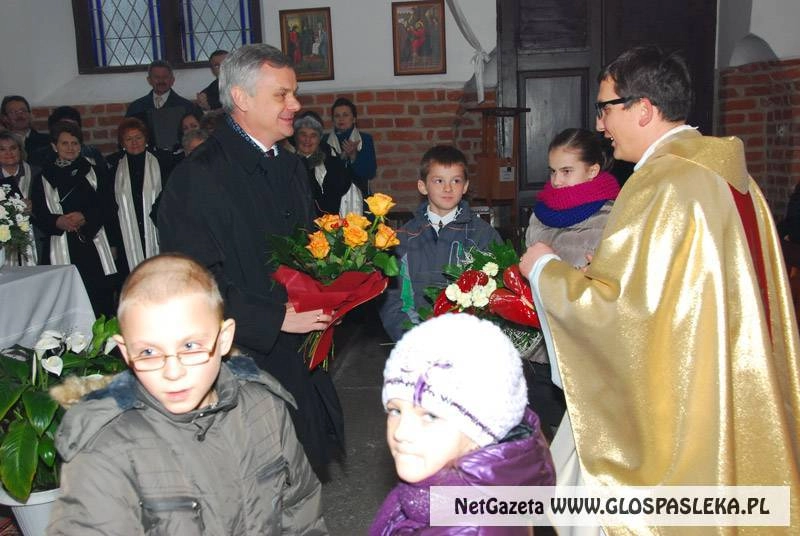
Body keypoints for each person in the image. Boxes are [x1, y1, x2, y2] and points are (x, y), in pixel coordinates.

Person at [520, 45, 800, 533]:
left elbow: (621, 317)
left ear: (643, 108)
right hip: (721, 366)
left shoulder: (661, 183)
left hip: (675, 394)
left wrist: (545, 269)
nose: (601, 125)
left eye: (605, 109)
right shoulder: (730, 177)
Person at [157, 43, 344, 475]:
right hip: (243, 362)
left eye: (294, 93)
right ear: (241, 98)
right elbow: (193, 285)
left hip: (299, 353)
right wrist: (275, 317)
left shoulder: (290, 166)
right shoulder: (197, 178)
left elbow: (305, 253)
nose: (295, 105)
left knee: (302, 476)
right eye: (282, 95)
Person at [47, 253, 327, 535]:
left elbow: (300, 507)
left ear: (224, 338)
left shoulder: (263, 406)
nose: (173, 372)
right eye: (149, 351)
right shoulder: (105, 450)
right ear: (125, 351)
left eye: (190, 346)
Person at [370, 313, 555, 535]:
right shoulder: (435, 494)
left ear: (484, 428)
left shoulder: (471, 528)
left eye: (430, 416)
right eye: (395, 410)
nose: (401, 432)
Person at [522, 127, 620, 433]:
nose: (557, 181)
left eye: (567, 171)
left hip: (582, 348)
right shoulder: (540, 213)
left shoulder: (613, 218)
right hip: (537, 344)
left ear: (592, 170)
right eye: (553, 171)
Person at [379, 145, 501, 342]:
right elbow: (393, 300)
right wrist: (412, 339)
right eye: (439, 181)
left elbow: (495, 294)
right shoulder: (402, 238)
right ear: (422, 186)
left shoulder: (483, 235)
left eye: (456, 180)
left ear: (465, 186)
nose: (448, 188)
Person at [30, 121, 118, 316]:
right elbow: (39, 214)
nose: (70, 148)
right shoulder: (42, 178)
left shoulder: (94, 172)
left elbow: (109, 206)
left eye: (75, 143)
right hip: (59, 247)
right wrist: (57, 221)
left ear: (81, 146)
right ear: (54, 146)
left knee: (99, 304)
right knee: (65, 305)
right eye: (64, 143)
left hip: (92, 245)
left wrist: (85, 217)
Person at [106, 118, 171, 278]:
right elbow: (110, 207)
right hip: (126, 237)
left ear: (146, 139)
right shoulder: (113, 167)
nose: (134, 142)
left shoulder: (163, 162)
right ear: (122, 143)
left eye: (138, 137)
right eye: (129, 139)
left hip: (157, 232)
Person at [126, 60, 203, 150]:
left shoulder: (187, 107)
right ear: (149, 80)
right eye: (157, 77)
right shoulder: (136, 108)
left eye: (165, 77)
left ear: (172, 80)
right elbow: (126, 136)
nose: (161, 81)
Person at [291, 110, 354, 216]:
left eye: (313, 135)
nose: (307, 140)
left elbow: (341, 190)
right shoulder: (288, 163)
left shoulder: (332, 163)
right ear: (296, 137)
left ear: (319, 139)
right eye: (303, 134)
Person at [325, 97, 377, 199]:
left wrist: (354, 156)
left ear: (354, 119)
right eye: (337, 116)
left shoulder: (365, 139)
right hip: (333, 197)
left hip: (360, 195)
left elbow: (370, 173)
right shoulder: (324, 141)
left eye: (345, 115)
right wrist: (341, 159)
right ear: (333, 120)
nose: (341, 119)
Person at [28, 105, 108, 170]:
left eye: (73, 128)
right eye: (63, 128)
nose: (69, 132)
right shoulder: (38, 157)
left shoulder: (91, 154)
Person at [0, 131, 37, 265]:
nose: (8, 153)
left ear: (20, 150)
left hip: (35, 237)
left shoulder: (37, 174)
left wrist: (33, 207)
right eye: (2, 149)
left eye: (13, 148)